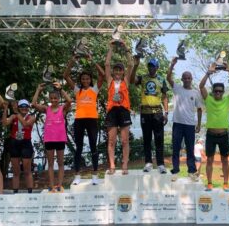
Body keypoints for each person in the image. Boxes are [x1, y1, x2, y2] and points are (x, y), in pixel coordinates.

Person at [64, 55, 105, 185]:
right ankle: (77, 176)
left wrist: (91, 59)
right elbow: (66, 76)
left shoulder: (94, 89)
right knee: (79, 148)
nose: (85, 80)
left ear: (90, 79)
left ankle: (94, 175)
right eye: (83, 79)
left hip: (92, 120)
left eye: (87, 78)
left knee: (94, 146)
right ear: (81, 80)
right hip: (79, 120)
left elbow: (102, 74)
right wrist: (73, 59)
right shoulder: (77, 90)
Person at [199, 62, 229, 191]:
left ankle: (226, 183)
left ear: (223, 92)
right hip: (210, 135)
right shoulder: (208, 99)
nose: (217, 93)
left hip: (223, 135)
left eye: (220, 91)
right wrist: (208, 72)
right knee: (209, 160)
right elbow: (201, 86)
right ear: (212, 92)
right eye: (215, 91)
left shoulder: (227, 100)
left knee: (225, 161)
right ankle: (209, 183)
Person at [166, 56, 204, 181]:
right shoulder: (177, 88)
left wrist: (198, 125)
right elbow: (168, 78)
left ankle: (191, 171)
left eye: (189, 78)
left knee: (190, 149)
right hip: (177, 124)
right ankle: (175, 171)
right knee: (176, 148)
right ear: (182, 79)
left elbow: (199, 109)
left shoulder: (195, 93)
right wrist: (172, 64)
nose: (187, 79)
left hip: (190, 125)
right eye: (185, 78)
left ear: (191, 79)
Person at [131, 55, 169, 174]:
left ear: (157, 67)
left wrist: (166, 112)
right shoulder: (143, 78)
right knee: (147, 139)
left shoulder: (162, 79)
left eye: (153, 66)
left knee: (159, 139)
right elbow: (132, 80)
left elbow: (164, 97)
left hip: (157, 113)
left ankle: (161, 164)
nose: (151, 68)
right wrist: (135, 66)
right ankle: (148, 163)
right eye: (149, 66)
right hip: (145, 113)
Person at [32, 82, 72, 192]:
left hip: (60, 139)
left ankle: (59, 185)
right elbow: (34, 104)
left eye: (55, 98)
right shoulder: (46, 109)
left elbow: (69, 101)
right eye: (51, 98)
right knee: (50, 164)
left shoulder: (63, 109)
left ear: (58, 98)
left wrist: (61, 89)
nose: (53, 100)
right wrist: (38, 90)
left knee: (60, 163)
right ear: (49, 99)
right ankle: (52, 185)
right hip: (49, 140)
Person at [104, 39, 135, 175]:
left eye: (119, 70)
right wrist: (111, 48)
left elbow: (130, 64)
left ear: (122, 72)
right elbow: (106, 64)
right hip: (112, 112)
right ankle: (112, 165)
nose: (117, 71)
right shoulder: (110, 81)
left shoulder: (125, 81)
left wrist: (125, 47)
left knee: (124, 140)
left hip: (123, 111)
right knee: (111, 140)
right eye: (115, 69)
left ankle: (125, 165)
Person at [2, 99, 36, 193]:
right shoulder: (14, 116)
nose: (24, 108)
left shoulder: (32, 117)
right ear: (19, 107)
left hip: (26, 143)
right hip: (14, 143)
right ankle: (15, 193)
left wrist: (17, 113)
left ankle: (30, 194)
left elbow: (25, 124)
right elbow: (4, 123)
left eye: (26, 106)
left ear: (28, 108)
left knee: (27, 170)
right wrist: (5, 109)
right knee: (16, 171)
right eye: (22, 106)